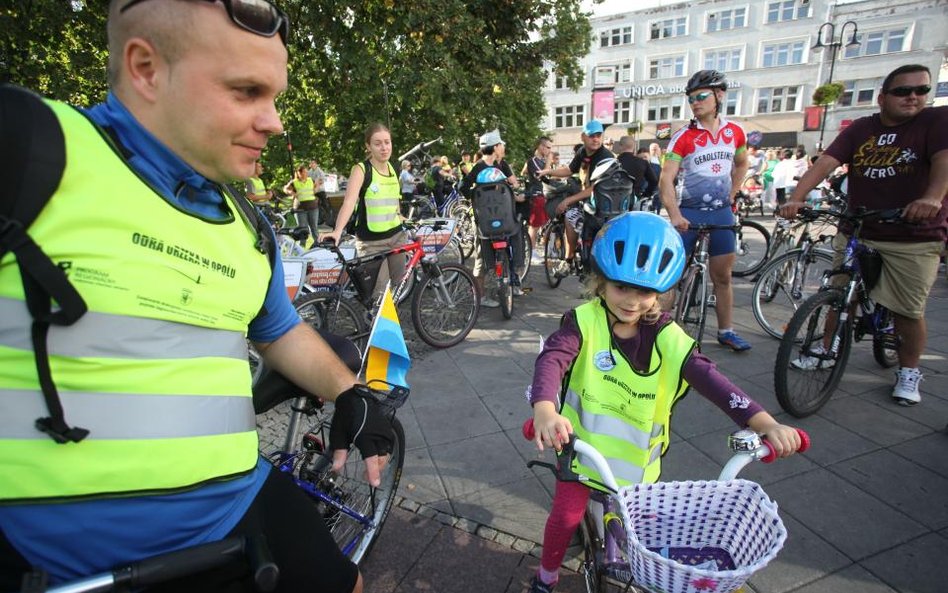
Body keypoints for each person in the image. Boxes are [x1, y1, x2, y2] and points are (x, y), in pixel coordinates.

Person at [0, 2, 393, 592]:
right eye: (246, 91)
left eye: (276, 96)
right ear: (145, 69)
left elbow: (279, 329)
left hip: (234, 509)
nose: (275, 121)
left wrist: (349, 392)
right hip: (54, 560)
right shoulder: (30, 148)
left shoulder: (247, 226)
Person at [525, 212, 804, 593]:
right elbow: (553, 359)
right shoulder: (583, 322)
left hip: (639, 469)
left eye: (645, 292)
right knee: (566, 515)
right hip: (580, 452)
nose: (633, 301)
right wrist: (545, 408)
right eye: (622, 287)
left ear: (661, 292)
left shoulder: (666, 335)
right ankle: (547, 576)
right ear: (601, 282)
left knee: (647, 538)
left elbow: (711, 379)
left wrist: (764, 423)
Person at [780, 63, 947, 406]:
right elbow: (827, 163)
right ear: (883, 97)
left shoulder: (935, 122)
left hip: (912, 233)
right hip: (859, 226)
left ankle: (909, 371)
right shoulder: (861, 128)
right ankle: (827, 348)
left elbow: (944, 161)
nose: (913, 97)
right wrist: (797, 197)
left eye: (921, 90)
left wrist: (932, 197)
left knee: (907, 311)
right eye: (903, 91)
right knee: (839, 292)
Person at [659, 69, 752, 352]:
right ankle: (659, 331)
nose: (695, 103)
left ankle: (726, 330)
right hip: (690, 212)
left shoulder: (734, 132)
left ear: (719, 96)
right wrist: (675, 215)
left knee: (722, 277)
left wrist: (732, 195)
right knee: (670, 276)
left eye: (701, 97)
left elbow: (742, 163)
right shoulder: (683, 137)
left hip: (721, 213)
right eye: (691, 99)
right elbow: (666, 179)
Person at [321, 123, 406, 298]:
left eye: (387, 142)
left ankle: (388, 322)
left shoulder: (394, 168)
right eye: (378, 143)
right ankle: (373, 322)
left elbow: (394, 197)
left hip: (397, 237)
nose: (384, 148)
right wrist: (337, 231)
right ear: (368, 146)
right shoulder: (362, 170)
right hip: (372, 242)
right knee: (379, 295)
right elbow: (349, 202)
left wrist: (400, 215)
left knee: (399, 287)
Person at [537, 120, 615, 277]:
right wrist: (548, 172)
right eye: (591, 135)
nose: (596, 139)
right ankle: (571, 259)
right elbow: (570, 170)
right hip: (591, 203)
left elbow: (595, 189)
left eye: (599, 135)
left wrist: (567, 200)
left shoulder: (604, 157)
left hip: (604, 206)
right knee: (572, 216)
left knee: (570, 214)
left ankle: (570, 259)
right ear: (583, 137)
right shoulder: (583, 153)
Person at [459, 128, 522, 304]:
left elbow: (463, 187)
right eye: (500, 144)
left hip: (489, 218)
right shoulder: (490, 166)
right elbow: (510, 188)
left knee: (484, 255)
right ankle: (484, 294)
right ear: (495, 148)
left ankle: (489, 292)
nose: (502, 146)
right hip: (493, 218)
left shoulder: (485, 166)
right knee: (484, 255)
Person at [522, 136, 553, 253]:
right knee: (534, 226)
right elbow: (542, 176)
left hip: (544, 194)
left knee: (539, 224)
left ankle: (533, 249)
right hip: (535, 195)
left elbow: (549, 178)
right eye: (548, 147)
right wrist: (549, 163)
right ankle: (531, 251)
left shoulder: (543, 161)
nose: (550, 151)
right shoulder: (532, 161)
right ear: (541, 146)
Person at [616, 136, 657, 204]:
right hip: (635, 199)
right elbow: (654, 181)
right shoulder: (643, 163)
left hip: (615, 201)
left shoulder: (614, 163)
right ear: (634, 147)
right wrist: (646, 194)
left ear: (620, 146)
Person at [283, 164, 319, 241]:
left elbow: (317, 185)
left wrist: (316, 189)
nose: (306, 174)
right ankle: (302, 245)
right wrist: (291, 192)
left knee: (314, 227)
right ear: (299, 173)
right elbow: (285, 189)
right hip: (300, 209)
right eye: (304, 172)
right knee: (302, 228)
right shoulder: (294, 182)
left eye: (306, 172)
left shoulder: (310, 180)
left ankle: (317, 244)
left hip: (313, 207)